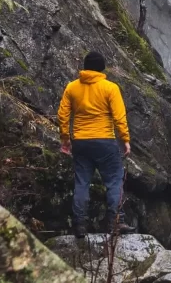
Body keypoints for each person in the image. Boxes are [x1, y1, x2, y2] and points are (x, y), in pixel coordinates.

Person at [58, 51, 136, 237]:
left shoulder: (72, 88)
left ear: (85, 67)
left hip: (81, 143)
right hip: (105, 142)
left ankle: (79, 225)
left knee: (82, 183)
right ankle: (116, 222)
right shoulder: (110, 88)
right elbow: (119, 117)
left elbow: (63, 115)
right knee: (114, 180)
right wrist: (125, 140)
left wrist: (65, 139)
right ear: (102, 68)